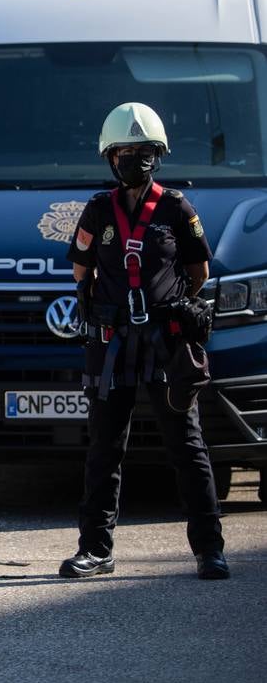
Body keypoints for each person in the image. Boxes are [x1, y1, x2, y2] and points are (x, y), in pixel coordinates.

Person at [62, 102, 228, 580]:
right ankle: (95, 549)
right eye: (124, 151)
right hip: (112, 348)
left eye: (143, 150)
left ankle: (209, 551)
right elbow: (81, 271)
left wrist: (170, 308)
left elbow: (199, 271)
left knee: (187, 447)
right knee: (104, 449)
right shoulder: (97, 210)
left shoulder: (176, 208)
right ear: (110, 158)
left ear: (158, 155)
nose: (133, 158)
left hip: (165, 347)